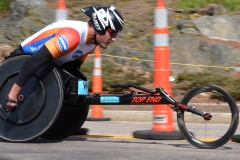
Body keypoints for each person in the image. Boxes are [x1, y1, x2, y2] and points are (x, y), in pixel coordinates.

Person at [4, 5, 124, 112]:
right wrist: (13, 95)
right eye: (113, 33)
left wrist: (75, 102)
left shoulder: (91, 44)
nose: (114, 39)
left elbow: (73, 70)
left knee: (78, 82)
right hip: (20, 64)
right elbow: (34, 61)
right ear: (100, 27)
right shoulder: (71, 36)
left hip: (45, 67)